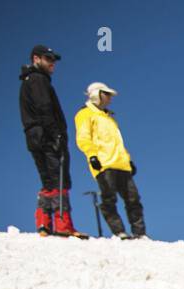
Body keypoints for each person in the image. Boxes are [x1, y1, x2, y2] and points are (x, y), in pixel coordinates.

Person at [18, 44, 86, 238]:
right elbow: (45, 107)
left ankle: (44, 224)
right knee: (59, 178)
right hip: (47, 136)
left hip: (34, 136)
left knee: (47, 179)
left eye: (53, 61)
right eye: (48, 59)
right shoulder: (39, 80)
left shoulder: (28, 80)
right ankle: (63, 224)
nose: (52, 64)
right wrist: (56, 134)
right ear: (36, 59)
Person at [74, 82, 146, 239]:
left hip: (122, 164)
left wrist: (128, 160)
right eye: (107, 95)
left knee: (133, 199)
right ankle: (119, 231)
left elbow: (117, 142)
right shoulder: (85, 114)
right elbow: (83, 138)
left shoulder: (110, 118)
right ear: (96, 94)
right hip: (104, 163)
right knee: (109, 198)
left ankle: (140, 233)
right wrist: (92, 155)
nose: (110, 99)